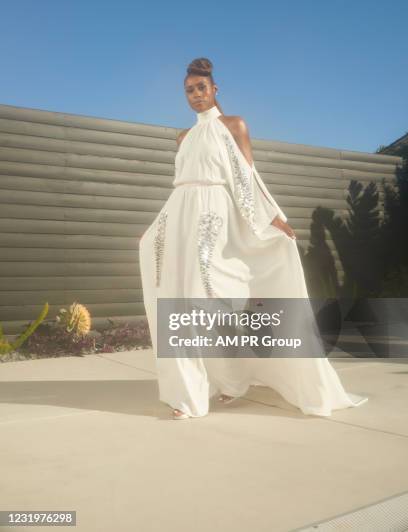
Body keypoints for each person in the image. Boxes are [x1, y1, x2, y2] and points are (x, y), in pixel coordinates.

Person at [139, 57, 368, 420]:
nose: (195, 95)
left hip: (213, 220)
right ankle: (192, 392)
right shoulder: (183, 137)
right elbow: (180, 188)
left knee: (207, 306)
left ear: (215, 89)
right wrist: (158, 226)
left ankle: (232, 379)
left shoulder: (234, 125)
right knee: (178, 305)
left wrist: (274, 217)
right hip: (180, 218)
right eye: (188, 91)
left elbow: (248, 178)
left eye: (201, 88)